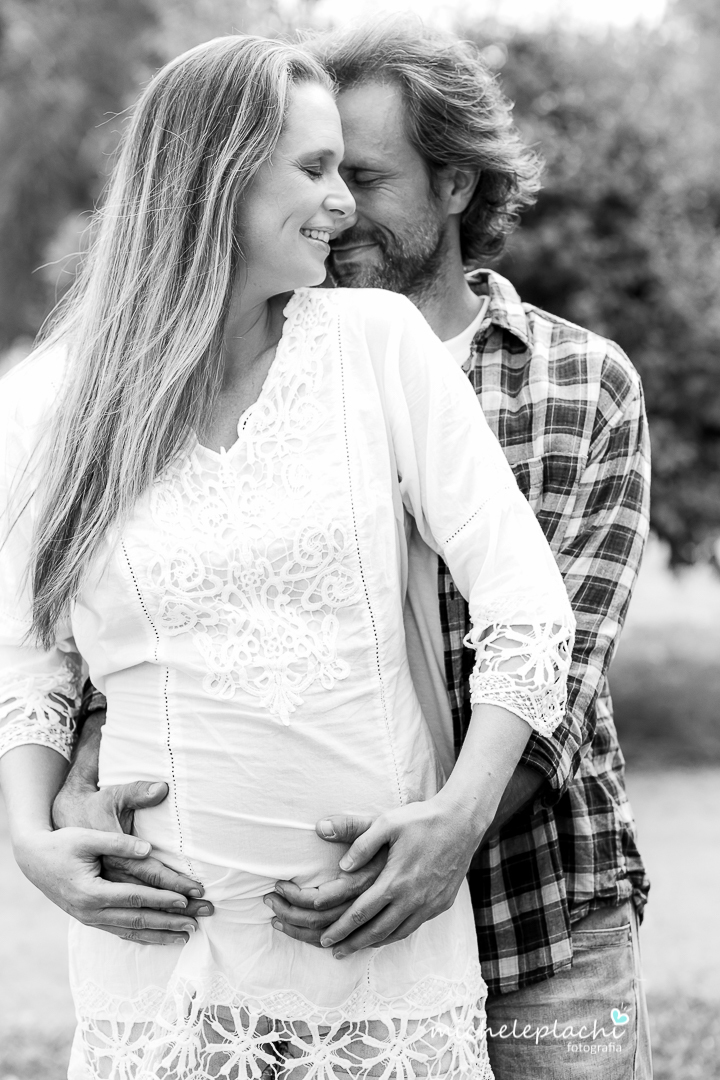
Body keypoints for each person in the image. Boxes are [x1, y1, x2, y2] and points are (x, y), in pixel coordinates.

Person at [51, 19, 652, 1080]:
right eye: (313, 168)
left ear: (456, 185)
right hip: (290, 916)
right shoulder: (241, 367)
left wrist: (435, 836)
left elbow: (556, 650)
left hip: (534, 906)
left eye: (364, 176)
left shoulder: (573, 380)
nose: (339, 206)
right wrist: (89, 771)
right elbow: (174, 614)